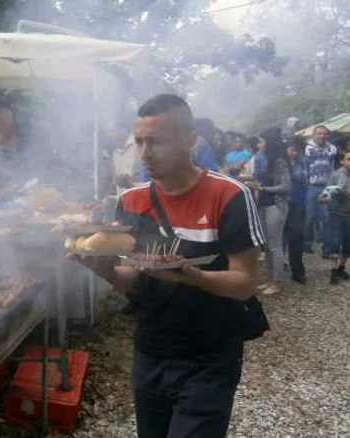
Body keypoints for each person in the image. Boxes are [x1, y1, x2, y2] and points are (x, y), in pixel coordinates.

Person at [74, 94, 266, 438]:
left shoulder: (230, 195)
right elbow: (134, 276)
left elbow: (246, 281)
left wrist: (194, 277)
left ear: (189, 141)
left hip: (210, 356)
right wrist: (107, 272)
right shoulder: (130, 201)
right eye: (140, 142)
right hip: (151, 350)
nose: (145, 153)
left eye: (157, 142)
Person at [248, 128, 291, 295]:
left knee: (275, 246)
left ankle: (277, 282)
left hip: (276, 206)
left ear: (269, 142)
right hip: (264, 205)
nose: (259, 145)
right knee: (267, 247)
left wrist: (264, 188)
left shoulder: (279, 161)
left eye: (261, 141)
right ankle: (269, 279)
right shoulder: (265, 160)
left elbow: (286, 186)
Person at [319, 151, 350, 284]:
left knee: (348, 244)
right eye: (349, 159)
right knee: (334, 242)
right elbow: (325, 195)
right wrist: (324, 198)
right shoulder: (335, 175)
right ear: (342, 161)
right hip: (335, 213)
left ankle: (341, 267)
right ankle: (333, 271)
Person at [304, 125, 337, 253]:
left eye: (324, 134)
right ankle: (307, 243)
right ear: (313, 135)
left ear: (327, 135)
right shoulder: (307, 149)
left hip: (327, 186)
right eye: (319, 134)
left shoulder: (332, 149)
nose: (322, 136)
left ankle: (326, 245)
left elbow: (334, 167)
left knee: (326, 216)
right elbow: (304, 168)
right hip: (311, 187)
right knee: (309, 217)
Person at [284, 139, 308, 284]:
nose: (294, 152)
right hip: (280, 205)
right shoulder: (279, 164)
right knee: (277, 241)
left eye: (296, 150)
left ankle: (298, 271)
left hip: (297, 205)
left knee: (296, 238)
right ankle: (275, 275)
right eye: (291, 149)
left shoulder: (303, 163)